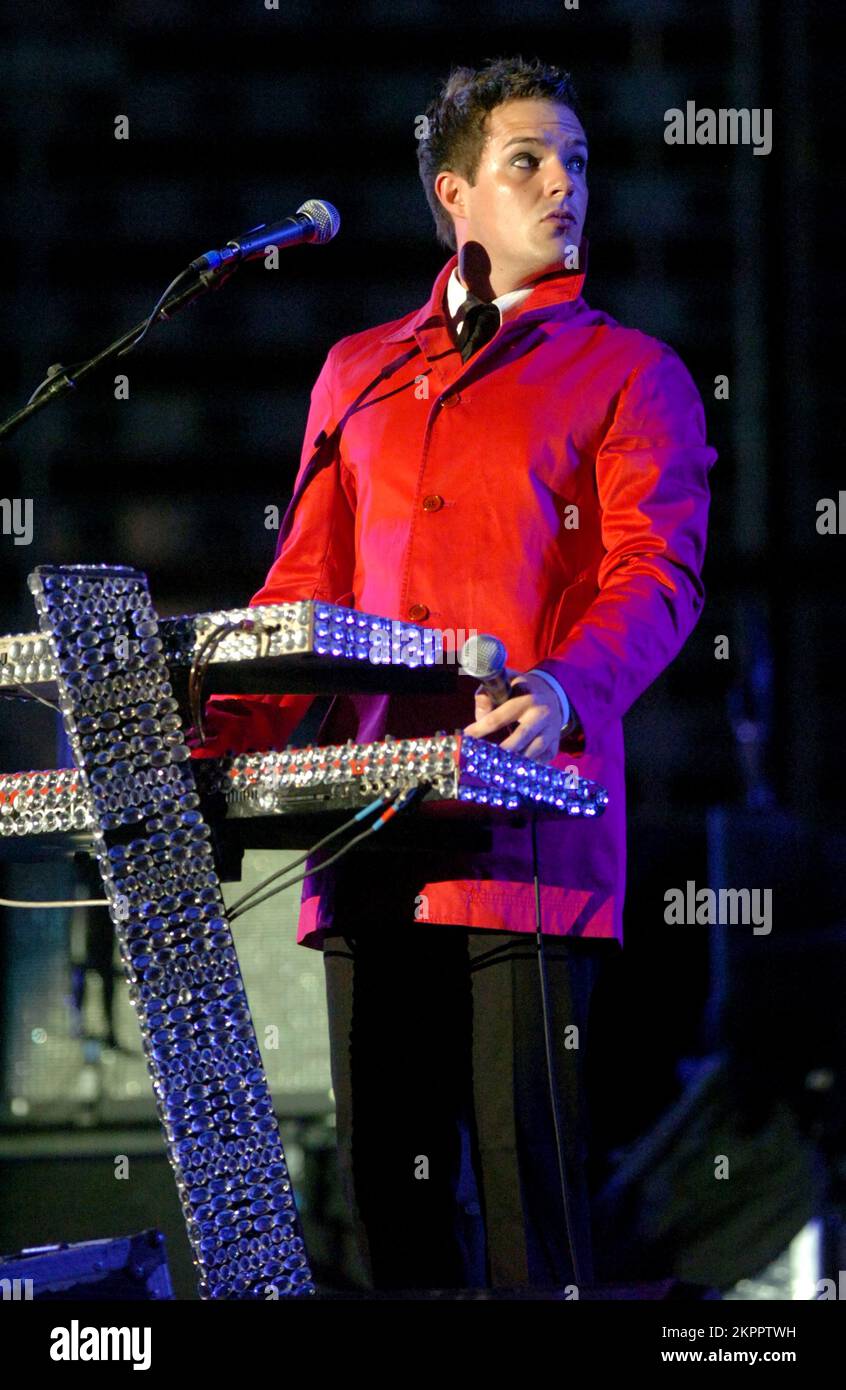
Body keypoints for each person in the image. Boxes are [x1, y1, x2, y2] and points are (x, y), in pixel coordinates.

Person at [190, 55, 717, 1292]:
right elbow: (296, 597)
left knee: (531, 1200)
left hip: (526, 830)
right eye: (530, 160)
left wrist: (571, 683)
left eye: (577, 161)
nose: (563, 185)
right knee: (391, 1203)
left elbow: (661, 572)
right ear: (455, 192)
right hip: (367, 833)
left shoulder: (632, 373)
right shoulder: (360, 370)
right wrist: (206, 738)